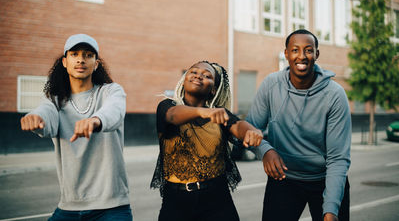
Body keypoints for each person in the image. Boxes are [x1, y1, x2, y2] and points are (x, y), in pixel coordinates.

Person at [20, 34, 133, 221]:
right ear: (65, 62)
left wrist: (96, 120)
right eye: (74, 54)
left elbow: (115, 111)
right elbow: (46, 115)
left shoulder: (110, 91)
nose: (81, 59)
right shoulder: (55, 100)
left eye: (88, 55)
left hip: (112, 207)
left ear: (96, 64)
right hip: (68, 207)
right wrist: (36, 118)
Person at [246, 29, 351, 221]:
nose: (301, 56)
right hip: (283, 179)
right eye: (295, 50)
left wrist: (330, 209)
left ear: (316, 54)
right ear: (286, 54)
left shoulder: (335, 95)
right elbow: (250, 129)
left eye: (308, 50)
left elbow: (338, 158)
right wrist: (265, 151)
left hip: (324, 179)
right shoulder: (271, 84)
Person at [151, 61, 263, 221]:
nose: (198, 75)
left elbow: (238, 126)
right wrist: (202, 112)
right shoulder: (167, 106)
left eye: (207, 75)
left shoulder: (219, 113)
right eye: (194, 71)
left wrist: (252, 131)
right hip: (176, 202)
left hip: (217, 200)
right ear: (184, 79)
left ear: (213, 89)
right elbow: (173, 116)